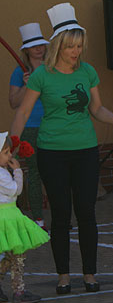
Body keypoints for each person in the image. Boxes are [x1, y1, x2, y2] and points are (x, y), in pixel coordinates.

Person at [10, 2, 113, 294]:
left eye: (79, 46)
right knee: (61, 214)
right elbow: (22, 113)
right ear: (58, 45)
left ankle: (90, 274)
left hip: (85, 150)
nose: (76, 52)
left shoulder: (88, 72)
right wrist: (9, 150)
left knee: (86, 211)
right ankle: (64, 276)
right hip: (52, 152)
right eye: (70, 46)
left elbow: (97, 109)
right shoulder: (41, 75)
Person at [0, 132, 49, 303]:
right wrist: (18, 171)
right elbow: (16, 190)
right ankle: (19, 292)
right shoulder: (2, 174)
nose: (9, 156)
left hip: (7, 215)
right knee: (18, 255)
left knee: (10, 255)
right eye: (5, 153)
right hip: (8, 217)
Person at [8, 23, 49, 228]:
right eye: (34, 46)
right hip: (30, 126)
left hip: (53, 125)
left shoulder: (53, 67)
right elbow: (14, 103)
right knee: (34, 171)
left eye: (41, 44)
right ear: (26, 49)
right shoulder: (19, 72)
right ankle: (38, 219)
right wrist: (27, 84)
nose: (38, 49)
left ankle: (61, 216)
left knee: (56, 171)